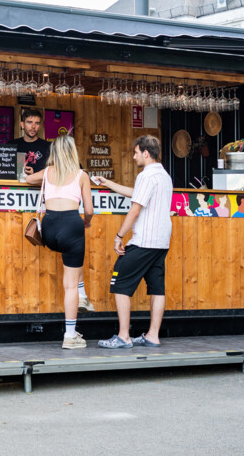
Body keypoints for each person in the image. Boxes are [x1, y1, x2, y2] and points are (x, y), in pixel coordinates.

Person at [92, 135, 173, 349]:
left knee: (120, 284)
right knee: (157, 288)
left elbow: (135, 209)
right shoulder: (164, 176)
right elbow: (138, 195)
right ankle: (152, 336)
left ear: (146, 153)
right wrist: (108, 182)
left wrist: (119, 236)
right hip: (161, 242)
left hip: (144, 240)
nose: (134, 156)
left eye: (136, 152)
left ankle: (124, 336)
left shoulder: (145, 176)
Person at [24, 135, 95, 349]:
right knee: (70, 283)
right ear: (73, 152)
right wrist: (87, 222)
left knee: (73, 262)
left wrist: (29, 172)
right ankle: (70, 335)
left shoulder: (46, 173)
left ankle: (82, 295)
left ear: (53, 153)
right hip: (71, 227)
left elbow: (28, 180)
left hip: (50, 230)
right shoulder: (82, 175)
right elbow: (89, 210)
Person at [9, 108, 50, 178]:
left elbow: (53, 173)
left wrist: (34, 175)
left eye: (37, 123)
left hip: (38, 188)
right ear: (22, 125)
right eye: (29, 122)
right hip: (15, 187)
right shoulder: (11, 145)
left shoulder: (48, 147)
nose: (33, 126)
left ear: (40, 126)